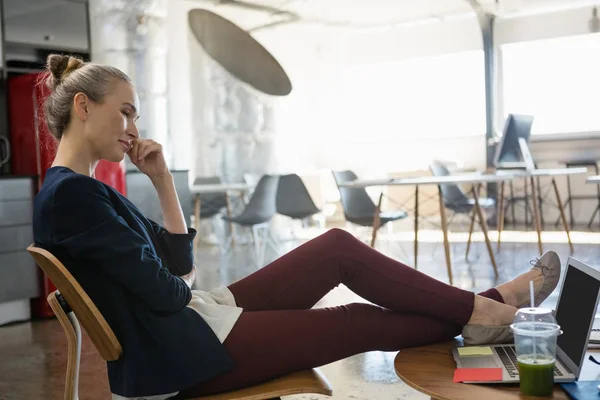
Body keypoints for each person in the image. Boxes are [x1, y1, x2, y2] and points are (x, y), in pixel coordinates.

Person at [32, 54, 562, 400]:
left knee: (334, 247)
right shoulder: (73, 198)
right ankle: (488, 307)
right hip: (179, 353)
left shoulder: (85, 191)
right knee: (354, 321)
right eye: (125, 113)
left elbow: (177, 268)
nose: (133, 129)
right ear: (83, 106)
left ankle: (483, 309)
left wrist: (164, 180)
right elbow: (170, 292)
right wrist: (186, 287)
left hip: (189, 321)